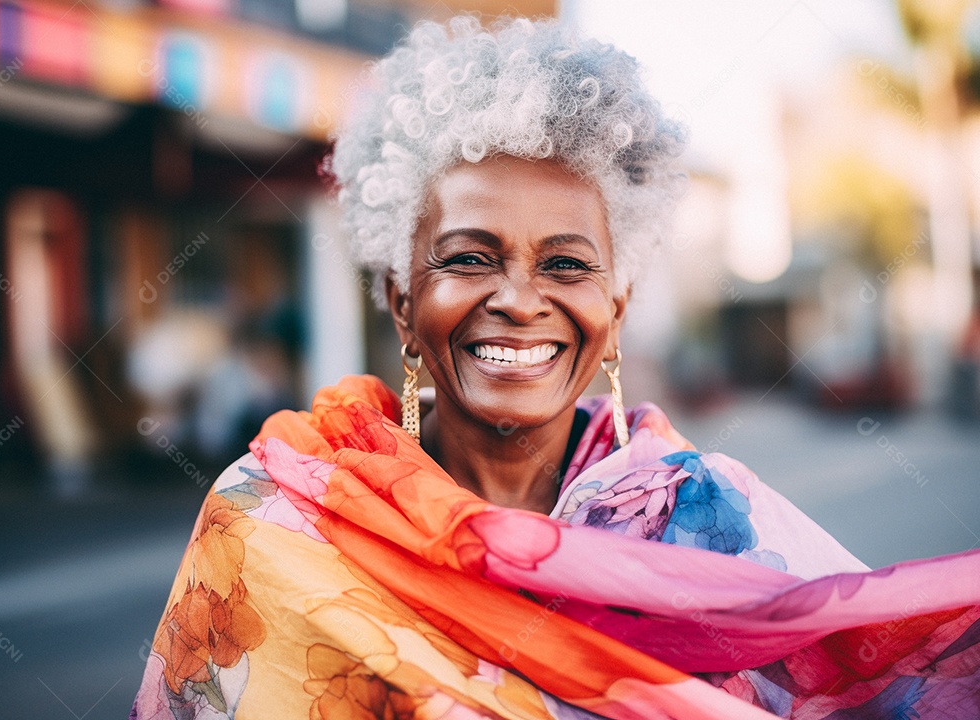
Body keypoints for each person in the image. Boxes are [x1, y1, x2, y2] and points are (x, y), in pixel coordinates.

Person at [131, 16, 980, 719]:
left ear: (615, 313)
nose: (520, 299)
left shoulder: (717, 523)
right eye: (470, 257)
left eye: (567, 265)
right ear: (400, 299)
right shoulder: (270, 521)